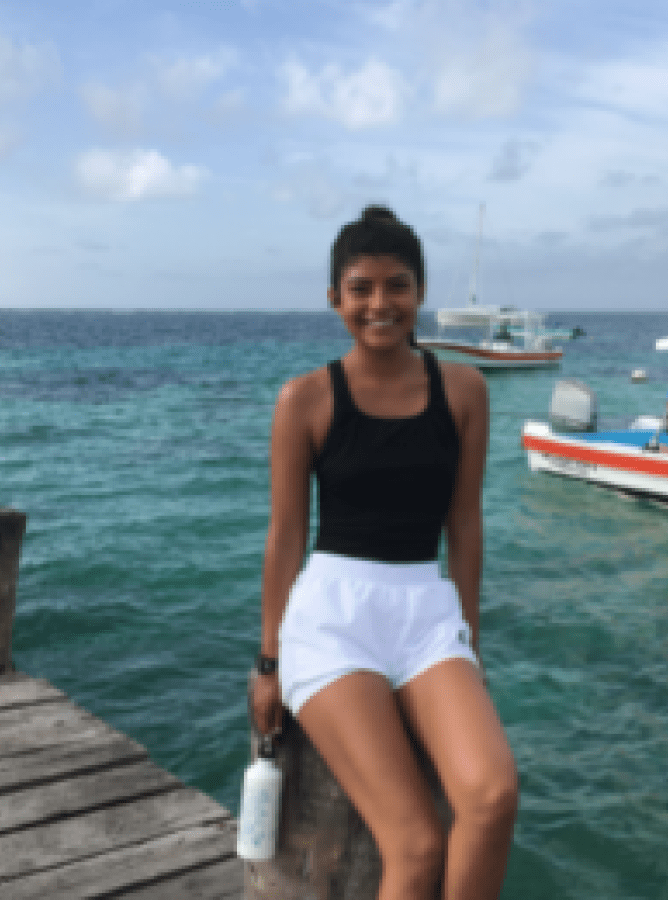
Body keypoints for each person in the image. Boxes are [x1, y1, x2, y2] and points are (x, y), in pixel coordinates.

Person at [251, 205, 519, 900]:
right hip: (332, 621)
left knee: (491, 798)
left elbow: (464, 525)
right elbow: (285, 539)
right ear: (334, 297)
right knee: (416, 843)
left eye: (397, 285)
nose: (380, 304)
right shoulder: (305, 400)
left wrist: (470, 645)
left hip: (428, 616)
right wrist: (267, 662)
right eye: (361, 288)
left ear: (421, 291)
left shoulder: (462, 391)